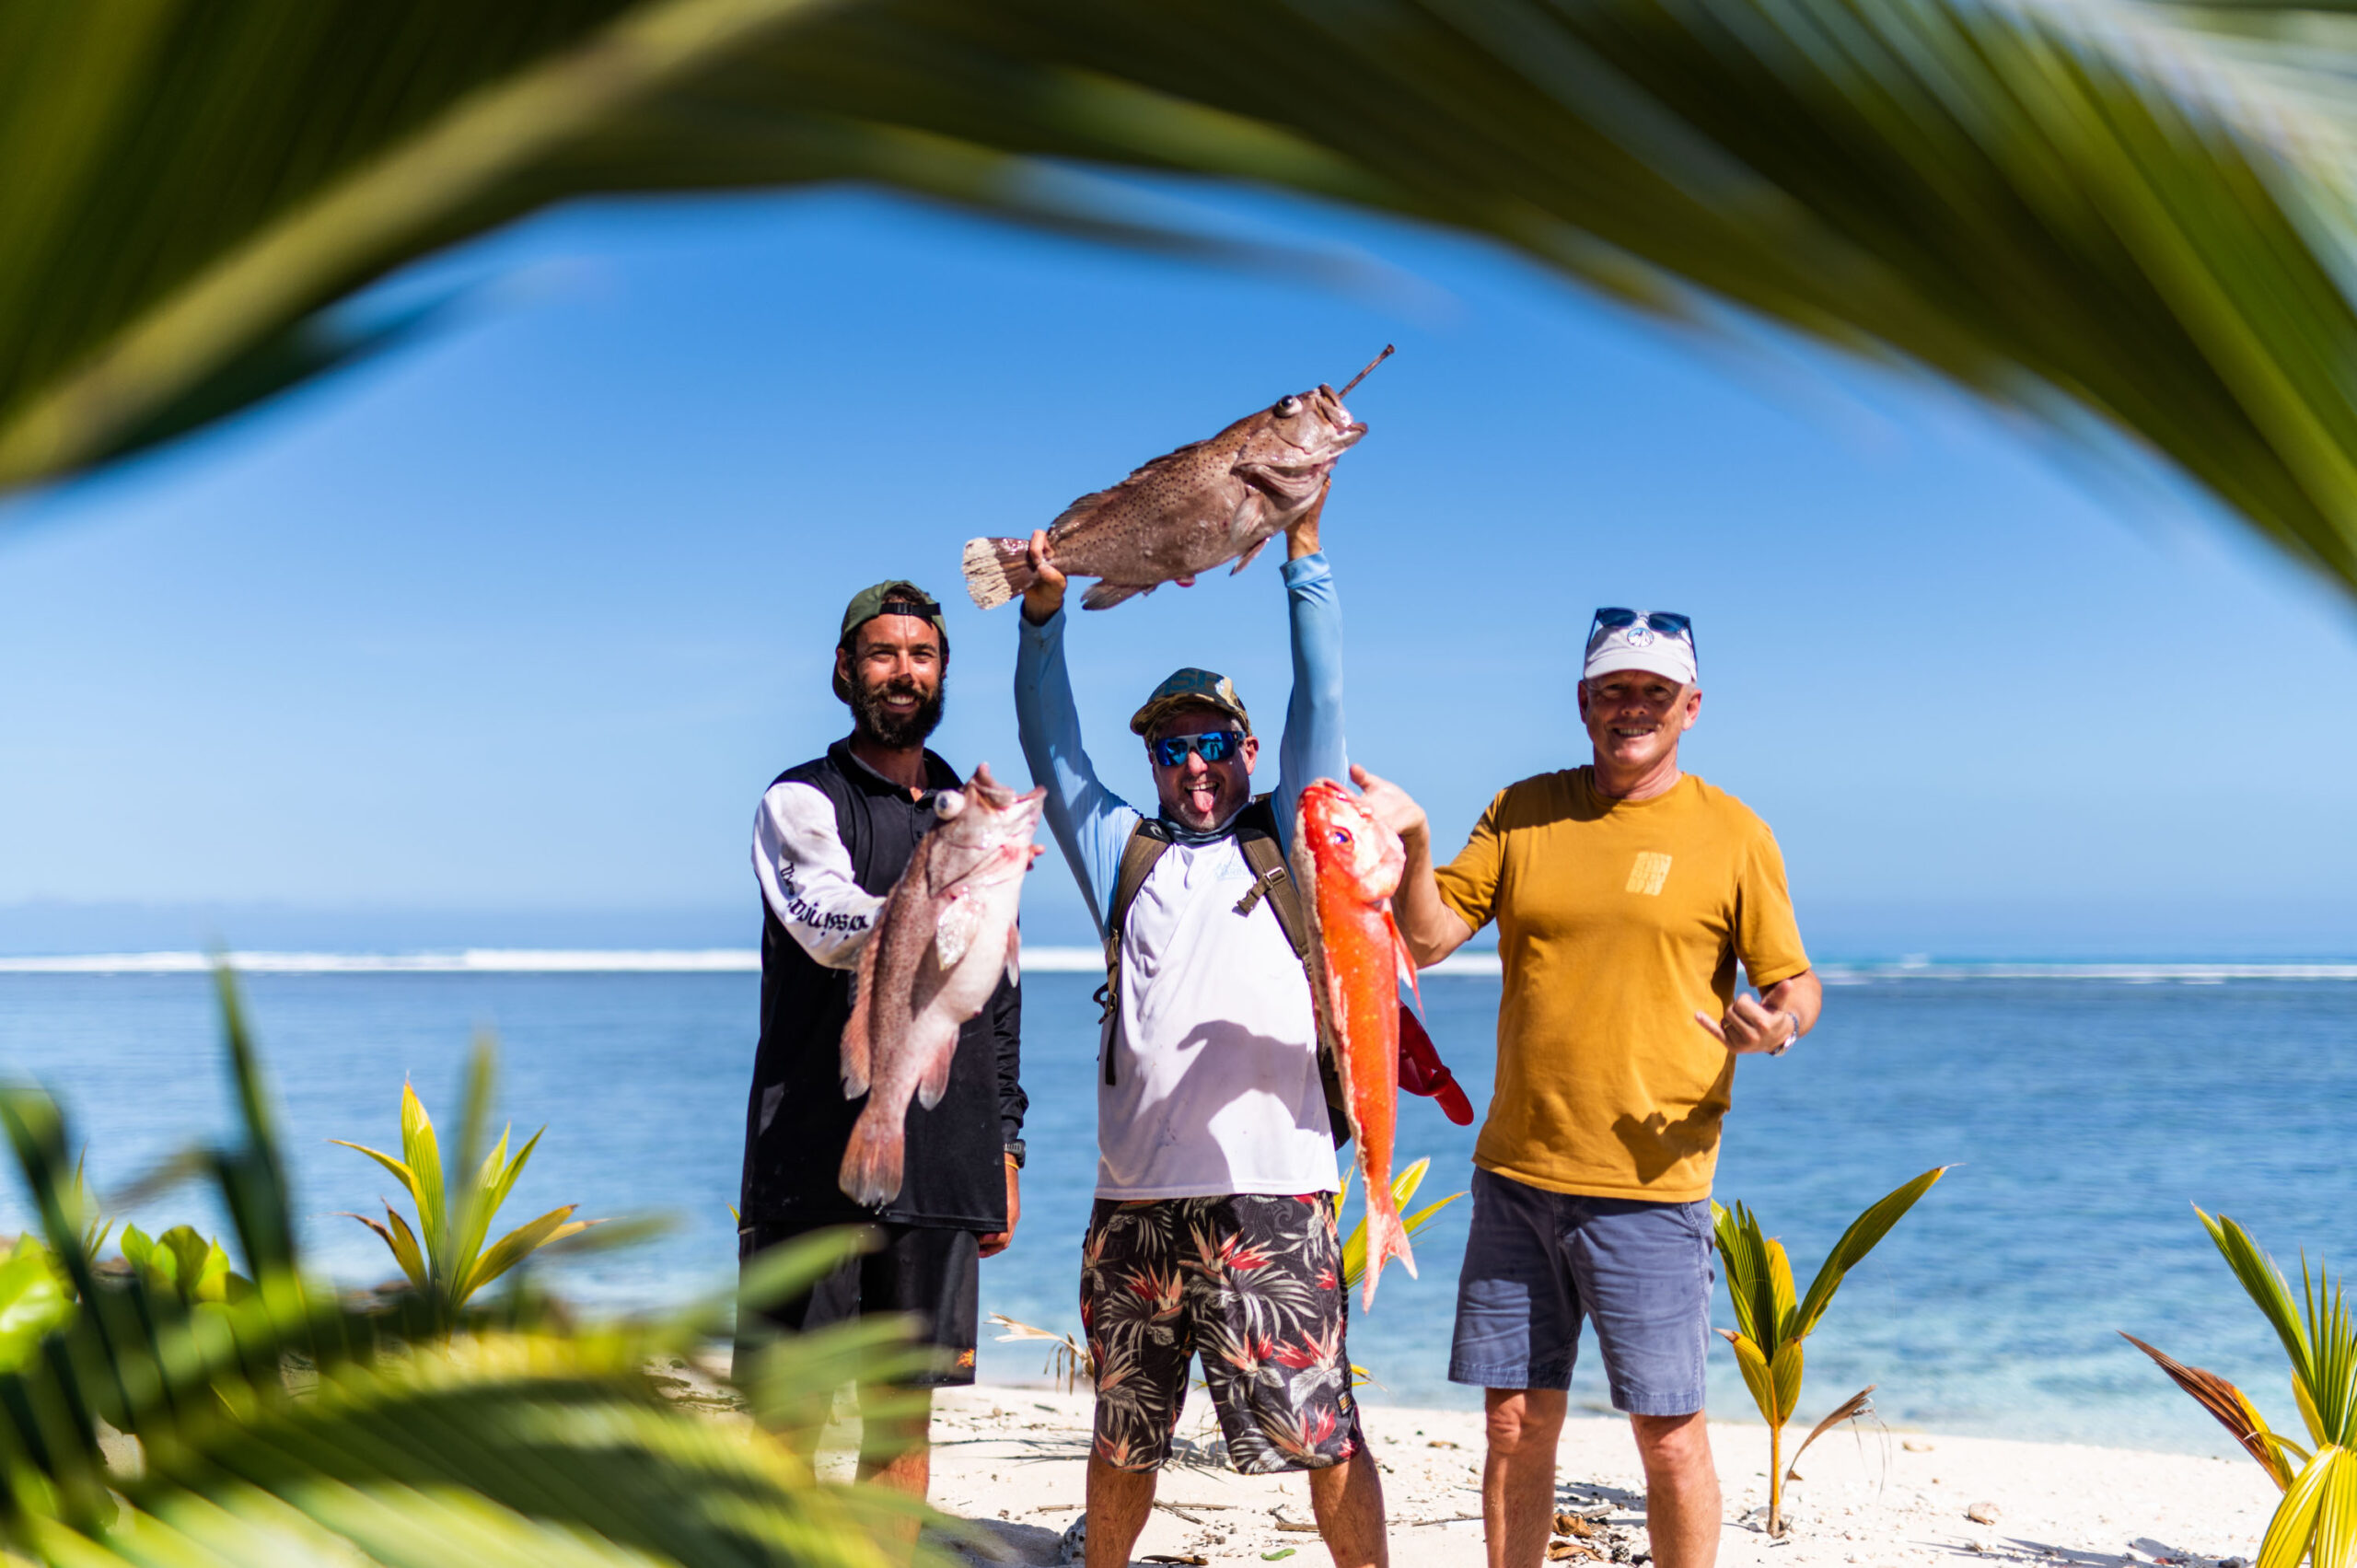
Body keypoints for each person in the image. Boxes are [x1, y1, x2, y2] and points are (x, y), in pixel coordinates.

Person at [1361, 609, 1823, 1568]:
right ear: (1581, 701)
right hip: (1516, 1176)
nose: (1631, 708)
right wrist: (1410, 840)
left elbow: (1794, 981)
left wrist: (1774, 1026)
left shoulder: (1733, 832)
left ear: (1691, 707)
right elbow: (1428, 936)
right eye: (1613, 689)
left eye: (1653, 692)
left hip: (1652, 1188)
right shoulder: (1523, 807)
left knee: (1667, 1434)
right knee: (1513, 1424)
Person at [1013, 487, 1388, 1568]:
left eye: (1213, 742)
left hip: (1273, 1193)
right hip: (1131, 1200)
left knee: (1321, 1431)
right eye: (1173, 749)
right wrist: (1044, 620)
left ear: (1247, 744)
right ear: (1152, 761)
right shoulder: (1122, 852)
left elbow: (1323, 692)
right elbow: (1052, 745)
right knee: (1123, 1434)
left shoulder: (1293, 837)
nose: (1193, 766)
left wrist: (1304, 551)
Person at [736, 579, 1028, 1506]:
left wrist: (1006, 1144)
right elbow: (826, 924)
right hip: (806, 1157)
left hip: (941, 1157)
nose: (903, 671)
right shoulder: (799, 800)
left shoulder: (966, 816)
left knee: (901, 1420)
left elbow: (1000, 993)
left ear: (942, 672)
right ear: (844, 669)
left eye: (923, 654)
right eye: (882, 652)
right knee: (788, 1415)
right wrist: (950, 877)